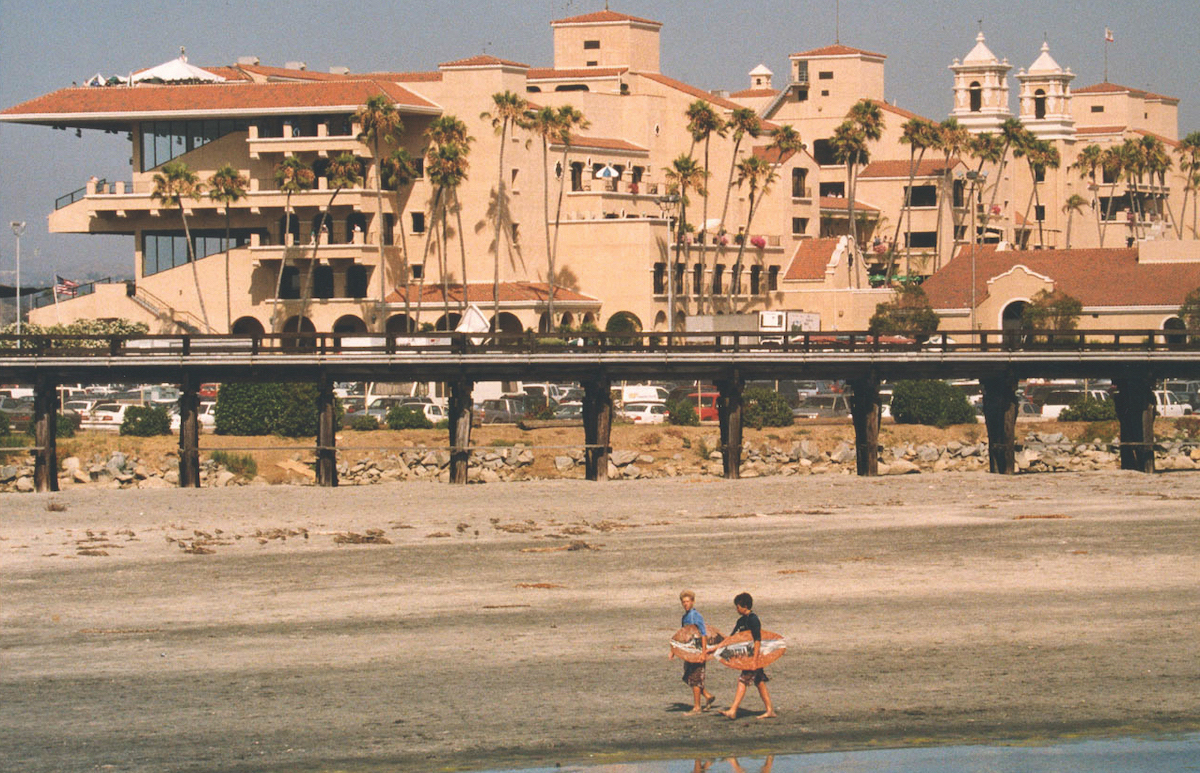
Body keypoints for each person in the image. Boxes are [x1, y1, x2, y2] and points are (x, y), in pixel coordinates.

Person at [714, 592, 776, 720]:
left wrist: (754, 660)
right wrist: (715, 648)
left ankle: (733, 710)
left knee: (742, 680)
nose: (736, 609)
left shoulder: (753, 619)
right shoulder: (741, 621)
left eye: (738, 606)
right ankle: (770, 710)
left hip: (753, 657)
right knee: (759, 682)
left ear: (745, 606)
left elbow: (757, 640)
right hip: (746, 657)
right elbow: (731, 639)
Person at [669, 589, 716, 715]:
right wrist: (674, 650)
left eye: (688, 601)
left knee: (695, 678)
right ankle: (707, 695)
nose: (686, 604)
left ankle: (697, 707)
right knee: (688, 677)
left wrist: (703, 652)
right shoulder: (685, 617)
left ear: (693, 602)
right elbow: (683, 635)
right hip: (689, 651)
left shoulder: (696, 616)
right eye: (683, 602)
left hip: (698, 650)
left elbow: (703, 634)